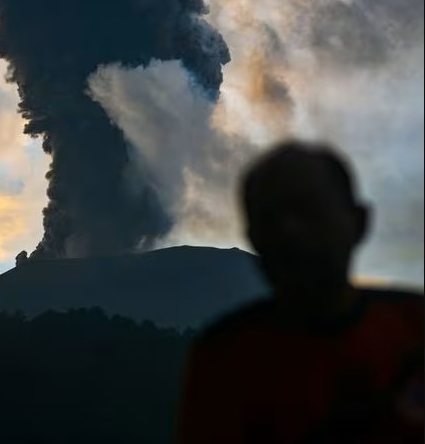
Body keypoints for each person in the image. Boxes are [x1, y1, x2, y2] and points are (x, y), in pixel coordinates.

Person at [177, 142, 424, 443]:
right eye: (270, 217)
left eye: (308, 211)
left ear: (359, 223)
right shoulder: (226, 363)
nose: (290, 231)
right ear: (254, 239)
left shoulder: (415, 330)